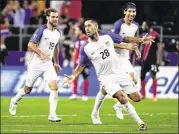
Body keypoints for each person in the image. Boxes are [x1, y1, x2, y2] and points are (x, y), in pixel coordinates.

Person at [63, 19, 147, 131]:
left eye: (90, 26)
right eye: (85, 26)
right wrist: (73, 76)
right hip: (105, 77)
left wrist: (130, 45)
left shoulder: (107, 37)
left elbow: (119, 41)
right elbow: (81, 65)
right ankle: (140, 123)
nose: (87, 28)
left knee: (137, 98)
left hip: (119, 72)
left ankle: (96, 112)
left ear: (96, 27)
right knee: (122, 97)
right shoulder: (86, 48)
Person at [91, 2, 154, 122]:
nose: (131, 13)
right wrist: (139, 41)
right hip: (113, 58)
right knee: (104, 90)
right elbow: (115, 40)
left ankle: (118, 106)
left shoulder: (135, 25)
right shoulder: (118, 24)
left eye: (133, 11)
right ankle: (95, 113)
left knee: (133, 80)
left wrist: (136, 49)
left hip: (125, 58)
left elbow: (130, 41)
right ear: (125, 12)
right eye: (129, 11)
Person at [9, 8, 62, 122]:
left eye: (57, 17)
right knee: (27, 89)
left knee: (54, 86)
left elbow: (56, 47)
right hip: (36, 63)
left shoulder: (57, 33)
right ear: (47, 18)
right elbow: (31, 45)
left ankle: (52, 114)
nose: (55, 19)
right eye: (53, 17)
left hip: (48, 63)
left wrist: (56, 62)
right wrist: (41, 53)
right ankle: (14, 100)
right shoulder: (41, 30)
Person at [140, 21, 163, 101]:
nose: (143, 26)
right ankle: (143, 94)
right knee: (142, 77)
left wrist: (159, 60)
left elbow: (160, 47)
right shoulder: (143, 35)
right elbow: (142, 47)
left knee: (153, 76)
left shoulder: (155, 35)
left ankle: (154, 96)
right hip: (144, 60)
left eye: (144, 25)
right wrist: (139, 55)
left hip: (153, 60)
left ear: (148, 26)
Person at [69, 25, 89, 101]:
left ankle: (85, 95)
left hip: (84, 62)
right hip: (76, 62)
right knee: (74, 77)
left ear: (80, 31)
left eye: (76, 30)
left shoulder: (87, 39)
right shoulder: (76, 40)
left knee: (85, 77)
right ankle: (74, 94)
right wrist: (73, 57)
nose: (75, 32)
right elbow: (73, 50)